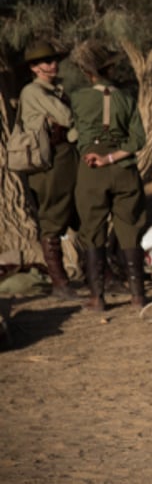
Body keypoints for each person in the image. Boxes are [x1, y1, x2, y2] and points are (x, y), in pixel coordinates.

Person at [70, 42, 148, 312]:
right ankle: (138, 295)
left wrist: (95, 154)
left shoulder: (78, 98)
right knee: (130, 227)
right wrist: (113, 156)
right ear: (109, 68)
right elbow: (139, 139)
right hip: (124, 167)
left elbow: (72, 129)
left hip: (92, 169)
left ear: (88, 72)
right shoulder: (126, 98)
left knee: (92, 230)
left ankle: (97, 296)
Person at [18, 40, 80, 300]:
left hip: (66, 156)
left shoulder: (56, 90)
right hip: (49, 160)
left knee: (82, 215)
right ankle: (60, 283)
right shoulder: (34, 91)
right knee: (53, 218)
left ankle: (102, 274)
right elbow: (67, 118)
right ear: (34, 68)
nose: (53, 65)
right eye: (46, 61)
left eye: (54, 60)